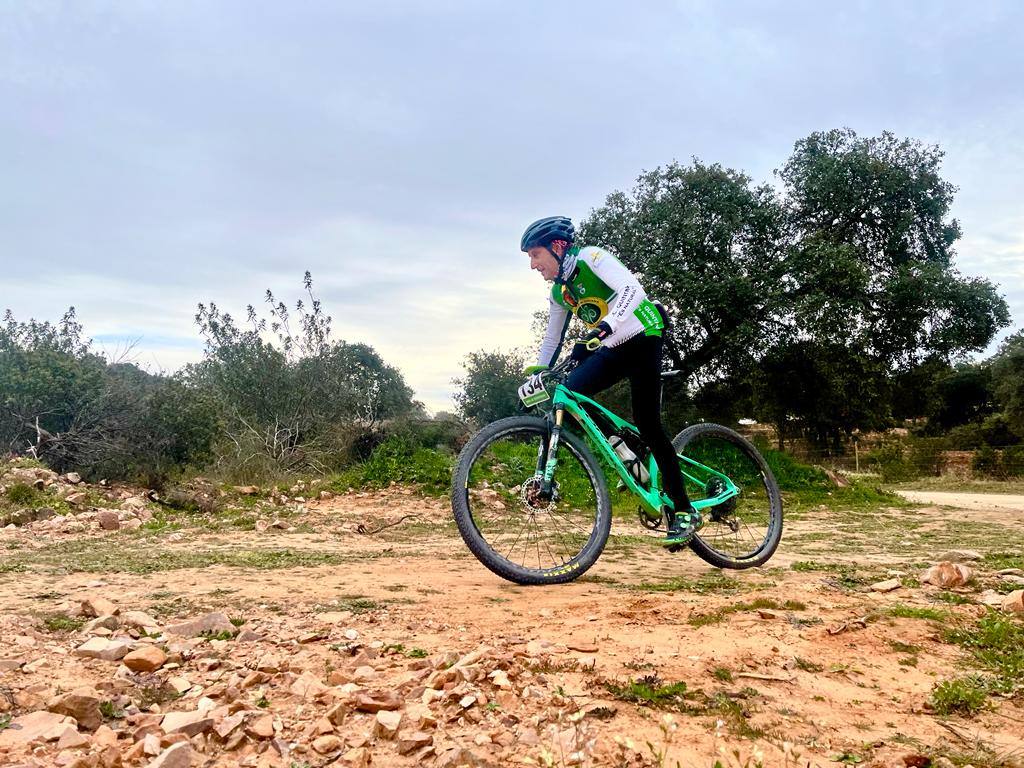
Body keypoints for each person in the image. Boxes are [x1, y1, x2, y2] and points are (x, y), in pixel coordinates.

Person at [519, 215, 701, 547]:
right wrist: (537, 375)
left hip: (643, 333)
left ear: (557, 247)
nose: (533, 265)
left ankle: (684, 510)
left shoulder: (592, 258)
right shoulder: (560, 293)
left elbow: (633, 290)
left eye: (535, 255)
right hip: (612, 345)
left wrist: (607, 325)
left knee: (649, 424)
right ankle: (625, 452)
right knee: (569, 395)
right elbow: (551, 341)